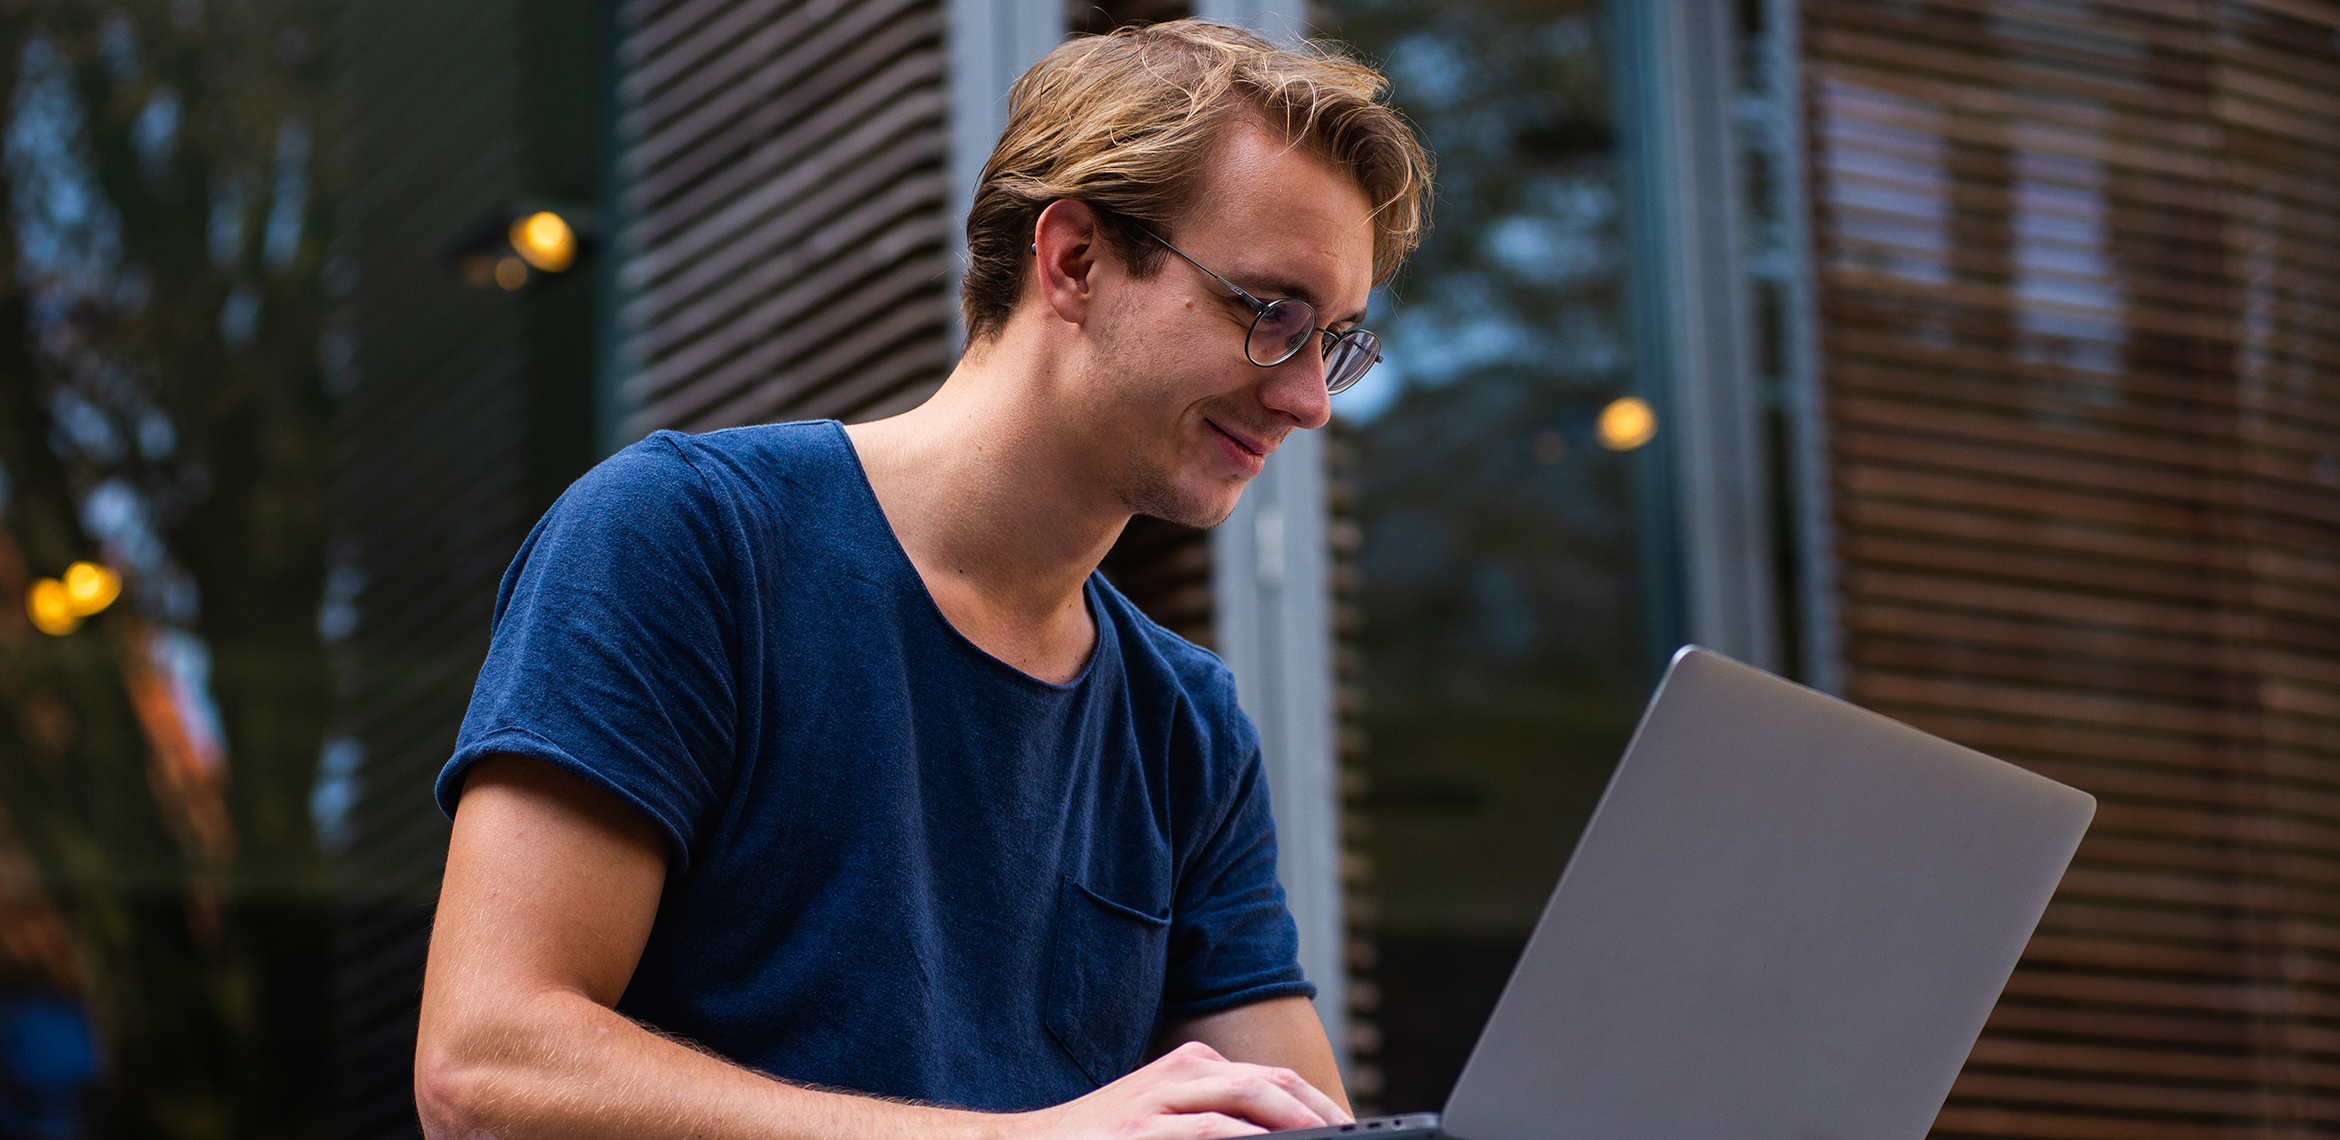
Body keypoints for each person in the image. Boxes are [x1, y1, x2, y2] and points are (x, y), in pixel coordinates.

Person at [413, 19, 1431, 1140]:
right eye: (1271, 314)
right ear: (1075, 259)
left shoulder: (1186, 726)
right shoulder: (690, 537)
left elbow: (1305, 1127)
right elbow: (487, 1071)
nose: (1309, 400)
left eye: (1333, 340)